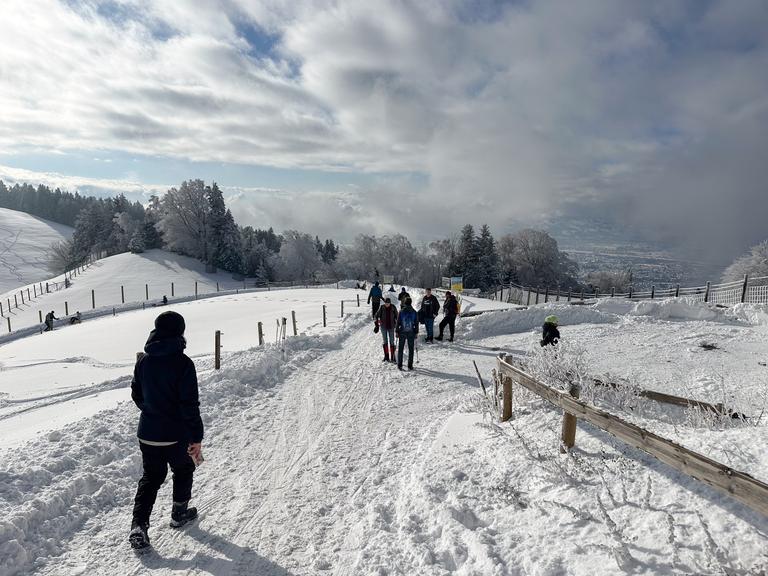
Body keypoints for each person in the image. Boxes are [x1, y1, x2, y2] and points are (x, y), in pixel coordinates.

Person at [129, 311, 204, 550]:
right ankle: (179, 514)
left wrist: (151, 409)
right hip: (175, 434)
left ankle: (138, 525)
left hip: (148, 432)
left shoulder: (143, 361)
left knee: (151, 478)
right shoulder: (183, 363)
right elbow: (189, 405)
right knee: (183, 469)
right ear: (180, 332)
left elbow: (136, 394)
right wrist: (196, 437)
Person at [396, 297, 419, 370]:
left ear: (405, 303)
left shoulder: (401, 311)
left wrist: (397, 331)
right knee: (411, 349)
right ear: (411, 303)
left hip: (402, 331)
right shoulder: (414, 312)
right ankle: (410, 365)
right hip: (411, 332)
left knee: (401, 348)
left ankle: (400, 365)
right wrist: (416, 332)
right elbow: (416, 323)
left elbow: (398, 322)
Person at [375, 296, 398, 363]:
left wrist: (398, 325)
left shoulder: (393, 307)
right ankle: (386, 356)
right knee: (385, 341)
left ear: (390, 303)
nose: (387, 304)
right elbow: (376, 315)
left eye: (388, 303)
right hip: (383, 327)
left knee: (392, 341)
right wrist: (376, 325)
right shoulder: (382, 307)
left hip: (391, 327)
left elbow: (397, 316)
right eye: (386, 303)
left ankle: (393, 357)